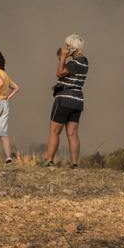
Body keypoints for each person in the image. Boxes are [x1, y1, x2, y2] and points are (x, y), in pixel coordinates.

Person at [43, 34, 88, 169]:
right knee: (72, 133)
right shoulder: (84, 61)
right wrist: (61, 59)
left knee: (54, 131)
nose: (66, 48)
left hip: (64, 100)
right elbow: (69, 77)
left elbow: (60, 73)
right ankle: (74, 163)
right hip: (77, 99)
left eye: (68, 46)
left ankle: (49, 161)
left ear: (73, 48)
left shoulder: (74, 63)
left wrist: (63, 57)